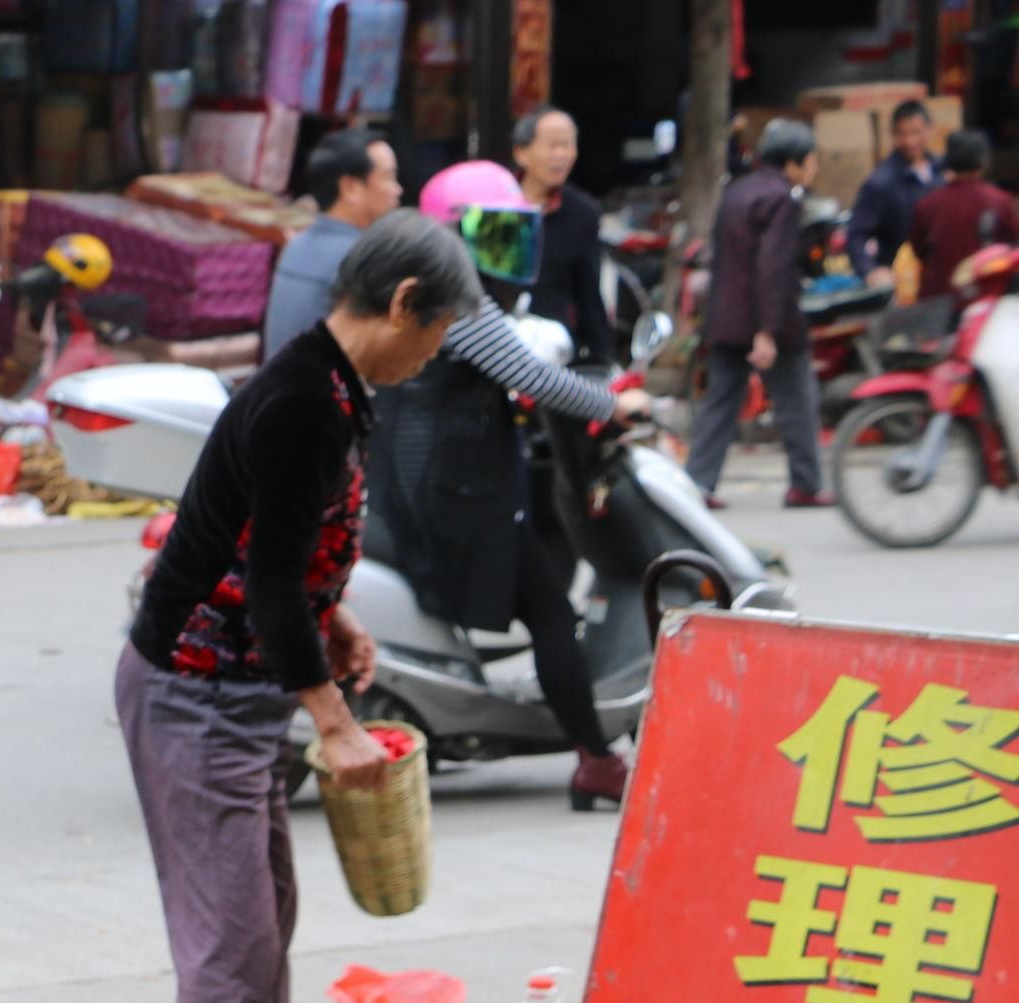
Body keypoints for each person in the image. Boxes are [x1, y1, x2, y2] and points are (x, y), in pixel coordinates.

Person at [119, 212, 476, 1003]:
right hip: (193, 697)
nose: (433, 354)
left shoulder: (328, 386)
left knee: (261, 928)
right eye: (436, 333)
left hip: (232, 691)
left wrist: (337, 615)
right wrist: (333, 716)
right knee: (227, 958)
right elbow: (268, 583)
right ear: (403, 306)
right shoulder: (302, 403)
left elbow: (271, 549)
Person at [368, 162, 655, 811]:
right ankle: (595, 759)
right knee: (553, 614)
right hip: (461, 488)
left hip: (419, 478)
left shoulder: (414, 287)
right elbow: (537, 377)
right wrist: (612, 406)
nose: (503, 252)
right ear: (454, 236)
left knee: (544, 606)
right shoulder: (457, 303)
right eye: (488, 236)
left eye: (510, 235)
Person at [687, 119, 831, 510]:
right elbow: (773, 267)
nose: (814, 168)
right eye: (811, 160)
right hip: (769, 320)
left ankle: (698, 483)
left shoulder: (738, 190)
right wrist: (767, 330)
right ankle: (805, 484)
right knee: (797, 399)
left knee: (719, 403)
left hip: (726, 316)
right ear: (793, 163)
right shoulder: (783, 199)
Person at [263, 129, 403, 355]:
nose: (398, 190)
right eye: (389, 177)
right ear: (351, 188)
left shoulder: (296, 246)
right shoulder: (365, 258)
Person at [513, 107, 616, 364]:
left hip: (556, 349)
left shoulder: (582, 213)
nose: (562, 155)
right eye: (552, 146)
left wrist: (602, 359)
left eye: (568, 145)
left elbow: (589, 293)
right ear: (521, 153)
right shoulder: (496, 206)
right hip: (500, 344)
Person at [912, 130, 1019, 301]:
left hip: (938, 303)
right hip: (986, 297)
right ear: (983, 161)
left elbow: (919, 250)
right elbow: (1012, 249)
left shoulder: (927, 204)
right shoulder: (1000, 201)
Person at [847, 100, 939, 288]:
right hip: (902, 281)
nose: (910, 141)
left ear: (929, 130)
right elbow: (855, 235)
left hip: (939, 275)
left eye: (916, 132)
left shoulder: (942, 171)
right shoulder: (881, 182)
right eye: (902, 134)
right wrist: (869, 270)